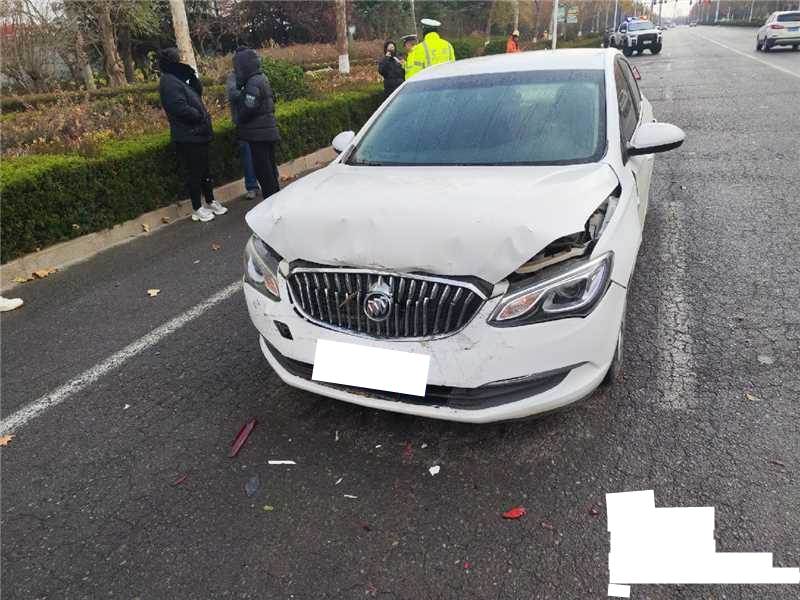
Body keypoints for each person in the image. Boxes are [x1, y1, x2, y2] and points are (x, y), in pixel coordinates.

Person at [158, 48, 227, 223]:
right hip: (188, 135)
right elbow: (178, 107)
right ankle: (197, 208)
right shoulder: (168, 82)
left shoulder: (178, 78)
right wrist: (199, 116)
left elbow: (196, 94)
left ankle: (210, 201)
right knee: (194, 173)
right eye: (178, 59)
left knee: (205, 170)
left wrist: (192, 78)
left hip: (198, 133)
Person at [230, 47, 281, 201]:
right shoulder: (261, 78)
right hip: (266, 132)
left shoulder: (252, 83)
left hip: (258, 135)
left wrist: (239, 117)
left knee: (264, 173)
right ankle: (276, 200)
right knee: (270, 171)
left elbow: (248, 107)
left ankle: (271, 204)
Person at [226, 63, 260, 199]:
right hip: (242, 122)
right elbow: (232, 93)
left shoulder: (256, 76)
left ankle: (271, 179)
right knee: (247, 155)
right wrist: (248, 93)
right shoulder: (233, 77)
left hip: (258, 121)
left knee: (263, 153)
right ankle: (252, 186)